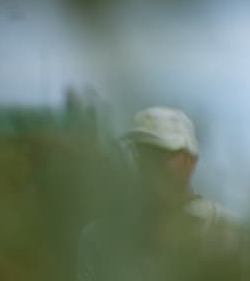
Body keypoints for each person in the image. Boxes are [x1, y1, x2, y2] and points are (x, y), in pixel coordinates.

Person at [76, 106, 241, 280]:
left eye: (163, 154)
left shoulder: (225, 233)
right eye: (142, 153)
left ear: (191, 162)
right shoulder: (99, 239)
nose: (151, 165)